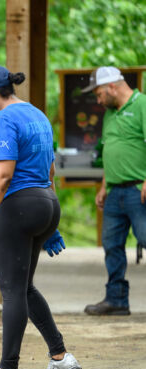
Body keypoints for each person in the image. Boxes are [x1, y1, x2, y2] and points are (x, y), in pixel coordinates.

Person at [0, 65, 81, 369]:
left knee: (12, 290)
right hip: (45, 202)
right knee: (24, 287)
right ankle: (59, 356)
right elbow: (50, 168)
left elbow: (3, 177)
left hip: (16, 207)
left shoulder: (4, 118)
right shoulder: (38, 115)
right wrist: (48, 217)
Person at [82, 66, 146, 316]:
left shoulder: (141, 105)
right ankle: (117, 300)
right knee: (111, 244)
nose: (97, 100)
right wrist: (103, 186)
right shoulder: (110, 114)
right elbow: (112, 149)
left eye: (98, 94)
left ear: (112, 86)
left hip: (137, 191)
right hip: (114, 192)